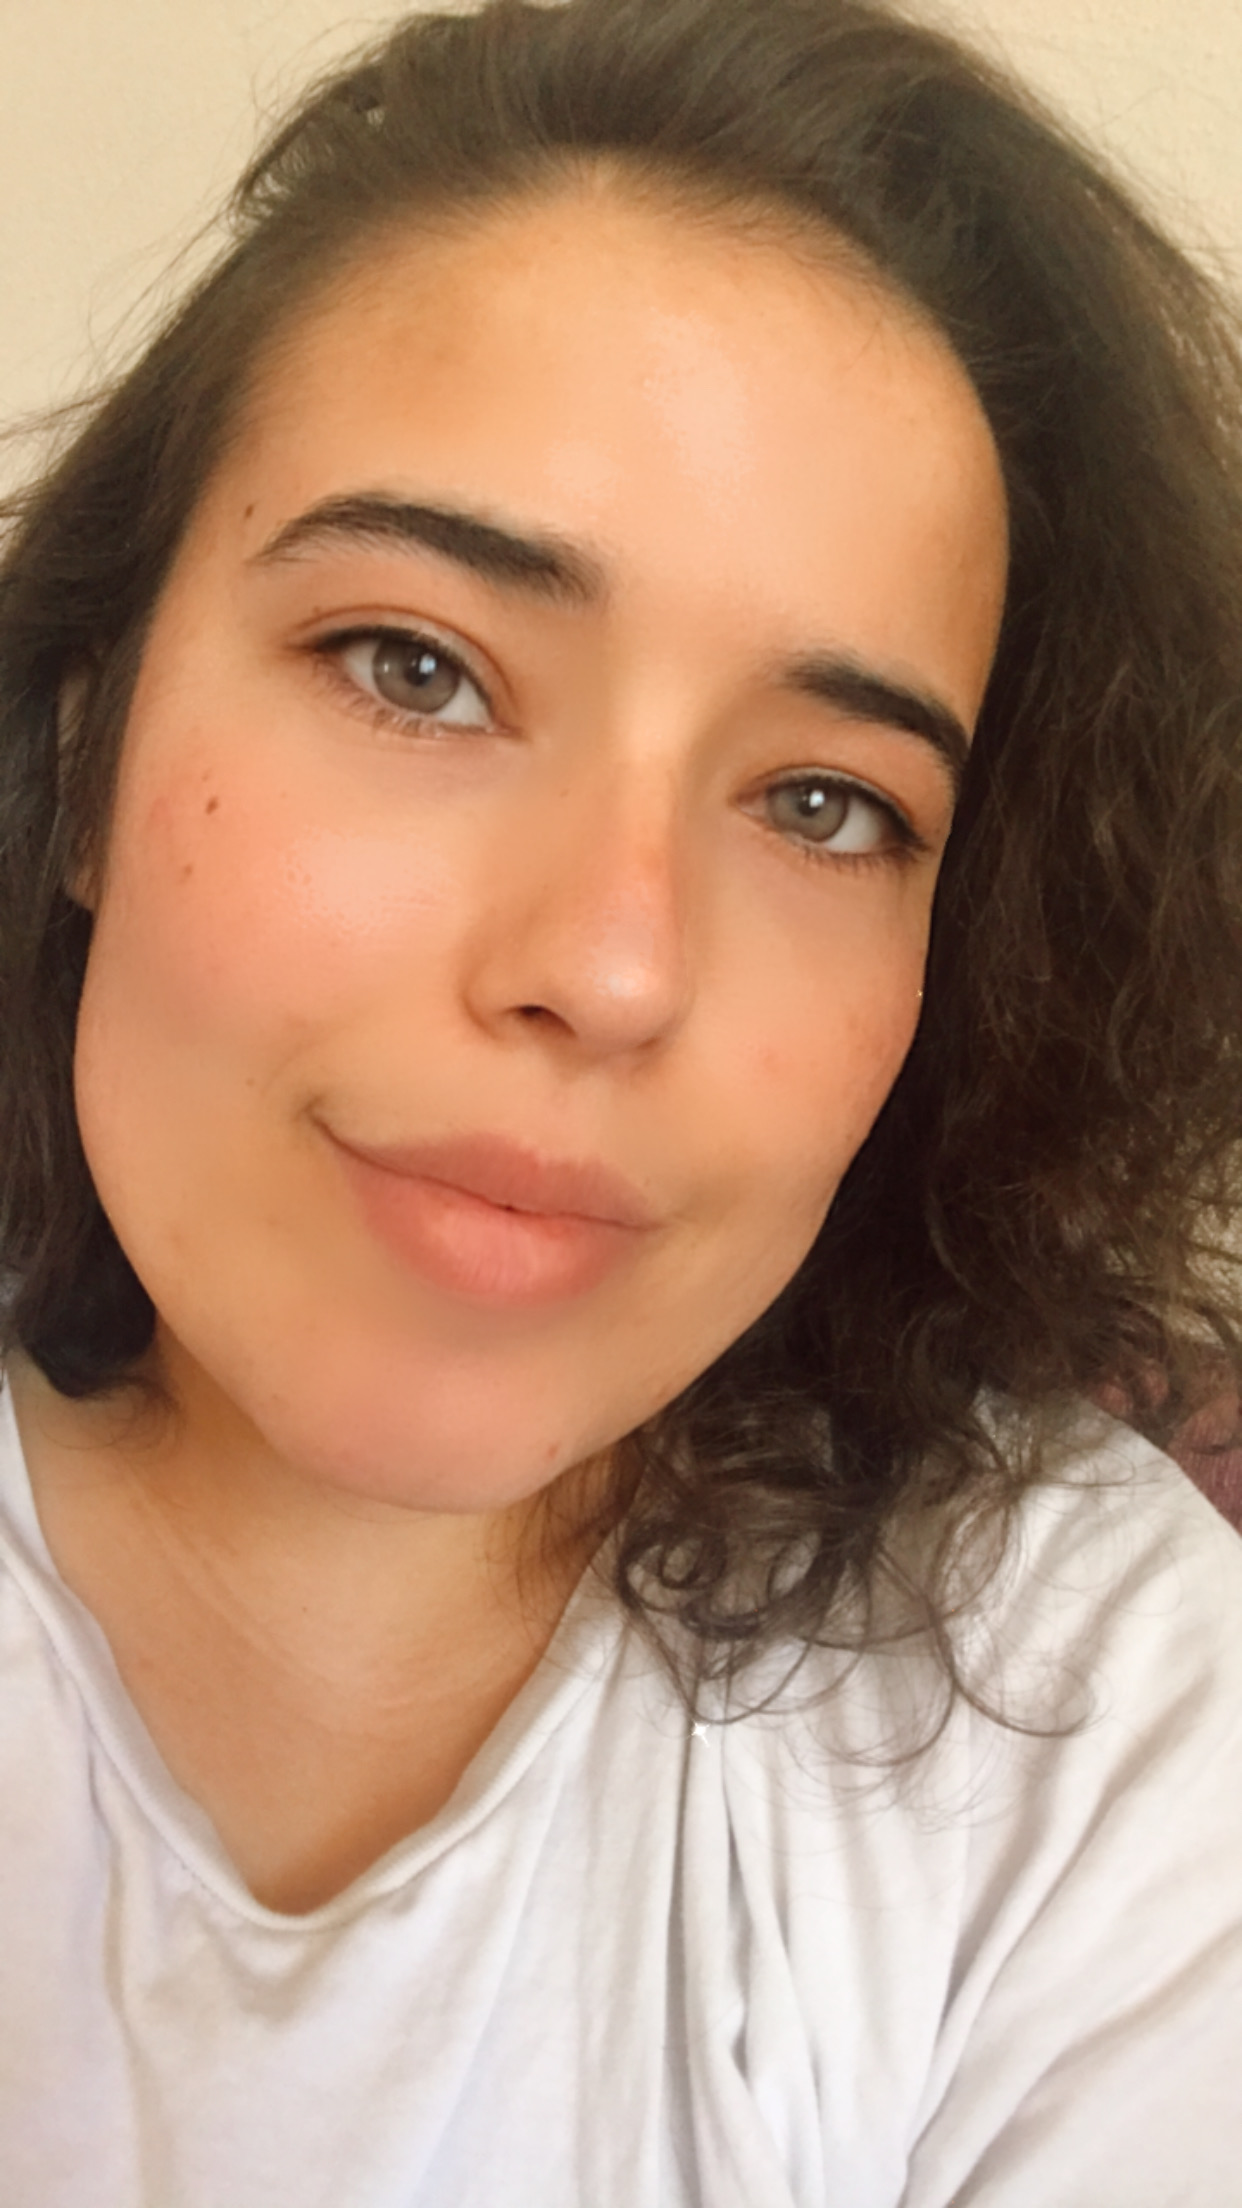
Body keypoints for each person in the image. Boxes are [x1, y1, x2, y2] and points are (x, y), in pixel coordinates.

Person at [1, 0, 1240, 2199]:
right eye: (417, 669)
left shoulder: (1077, 1699)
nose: (612, 964)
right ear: (87, 754)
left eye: (826, 803)